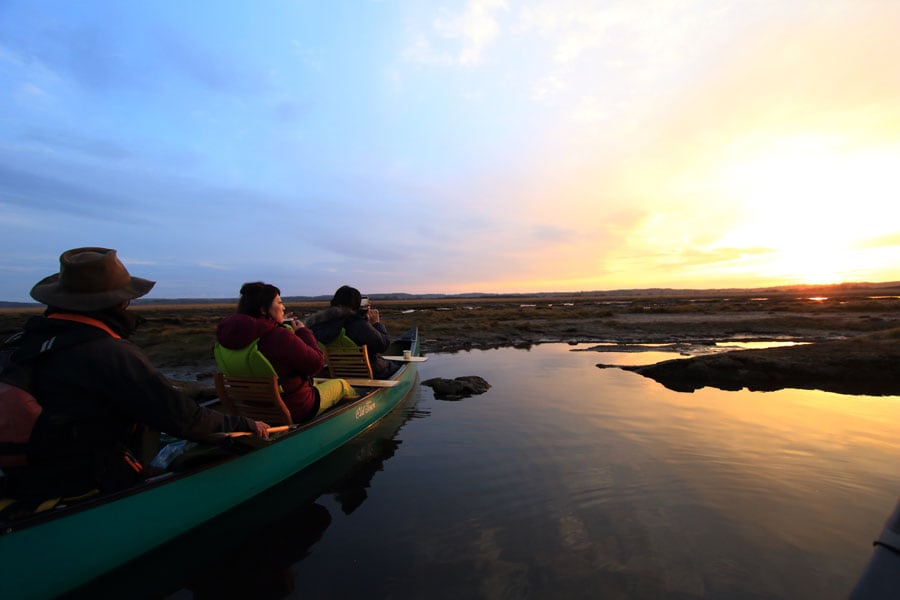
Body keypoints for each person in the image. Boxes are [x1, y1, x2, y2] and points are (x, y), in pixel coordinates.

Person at [0, 247, 270, 500]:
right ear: (118, 303)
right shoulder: (109, 354)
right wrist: (243, 425)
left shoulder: (17, 344)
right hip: (85, 482)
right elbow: (182, 418)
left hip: (18, 478)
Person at [215, 282, 355, 423]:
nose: (283, 307)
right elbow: (316, 364)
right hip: (294, 407)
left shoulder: (226, 339)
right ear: (264, 309)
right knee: (342, 384)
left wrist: (279, 325)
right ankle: (356, 418)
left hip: (250, 410)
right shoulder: (279, 337)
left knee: (317, 383)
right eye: (279, 302)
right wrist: (302, 332)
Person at [304, 285, 397, 379]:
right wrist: (376, 323)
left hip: (337, 372)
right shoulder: (355, 323)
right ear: (357, 304)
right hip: (368, 372)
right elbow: (383, 345)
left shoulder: (318, 324)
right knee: (395, 367)